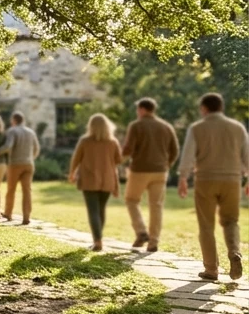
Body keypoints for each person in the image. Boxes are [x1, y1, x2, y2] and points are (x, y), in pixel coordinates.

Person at [177, 92, 249, 281]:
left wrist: (183, 177)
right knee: (231, 221)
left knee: (206, 225)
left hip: (205, 180)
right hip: (232, 180)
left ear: (204, 109)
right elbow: (247, 155)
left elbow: (188, 155)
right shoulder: (237, 127)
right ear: (221, 107)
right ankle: (234, 253)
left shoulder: (197, 128)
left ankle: (211, 269)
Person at [121, 97, 179, 252]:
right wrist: (167, 164)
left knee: (131, 200)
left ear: (141, 109)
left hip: (139, 170)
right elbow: (175, 150)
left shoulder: (136, 126)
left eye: (137, 110)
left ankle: (141, 232)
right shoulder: (166, 126)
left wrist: (117, 159)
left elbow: (128, 149)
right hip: (160, 172)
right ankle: (153, 242)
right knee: (156, 206)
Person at [69, 113, 123, 251]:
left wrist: (72, 173)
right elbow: (118, 161)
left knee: (93, 211)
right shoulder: (113, 142)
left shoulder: (85, 141)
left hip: (89, 180)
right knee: (101, 210)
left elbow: (76, 158)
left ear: (91, 126)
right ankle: (98, 239)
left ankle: (97, 241)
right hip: (107, 180)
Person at [0, 112, 41, 224]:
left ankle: (8, 213)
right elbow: (36, 148)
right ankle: (26, 217)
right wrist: (31, 158)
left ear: (14, 120)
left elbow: (8, 146)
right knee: (27, 190)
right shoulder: (31, 132)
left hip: (15, 164)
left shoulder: (12, 131)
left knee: (11, 190)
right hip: (29, 164)